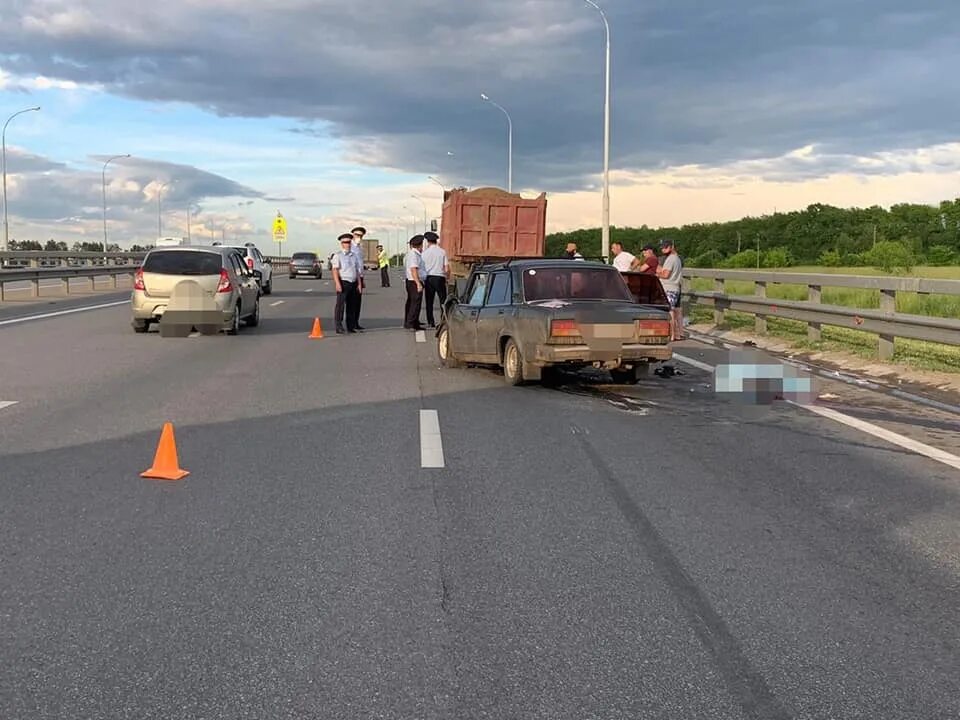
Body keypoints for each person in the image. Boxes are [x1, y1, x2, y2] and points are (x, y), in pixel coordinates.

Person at [331, 233, 361, 334]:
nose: (347, 244)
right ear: (342, 244)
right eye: (345, 242)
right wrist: (337, 284)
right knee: (340, 306)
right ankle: (338, 326)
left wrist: (359, 284)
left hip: (353, 282)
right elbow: (335, 270)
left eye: (349, 242)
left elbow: (357, 270)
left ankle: (350, 326)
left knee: (351, 306)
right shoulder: (338, 256)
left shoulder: (354, 256)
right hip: (343, 282)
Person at [656, 238, 684, 341]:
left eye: (665, 247)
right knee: (672, 310)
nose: (663, 249)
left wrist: (657, 274)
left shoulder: (670, 259)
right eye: (662, 247)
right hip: (674, 287)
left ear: (671, 247)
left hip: (669, 288)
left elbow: (666, 274)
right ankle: (676, 334)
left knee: (669, 311)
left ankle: (671, 334)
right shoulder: (677, 258)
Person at [421, 231, 448, 327]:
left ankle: (430, 321)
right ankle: (443, 319)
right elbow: (446, 268)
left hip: (429, 278)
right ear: (436, 241)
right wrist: (447, 278)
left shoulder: (424, 253)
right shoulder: (442, 252)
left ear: (428, 241)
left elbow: (422, 268)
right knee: (443, 300)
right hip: (440, 278)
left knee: (429, 301)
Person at [404, 234, 426, 331]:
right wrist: (418, 283)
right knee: (415, 303)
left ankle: (413, 322)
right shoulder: (414, 255)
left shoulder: (414, 254)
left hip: (412, 281)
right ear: (420, 245)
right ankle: (411, 323)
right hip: (414, 281)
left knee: (412, 302)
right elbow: (414, 269)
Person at [351, 226, 367, 330]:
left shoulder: (360, 248)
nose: (359, 237)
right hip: (352, 277)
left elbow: (361, 264)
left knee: (358, 301)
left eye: (361, 236)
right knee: (351, 302)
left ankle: (356, 322)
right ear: (352, 234)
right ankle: (351, 323)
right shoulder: (350, 247)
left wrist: (362, 279)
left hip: (359, 277)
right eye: (357, 235)